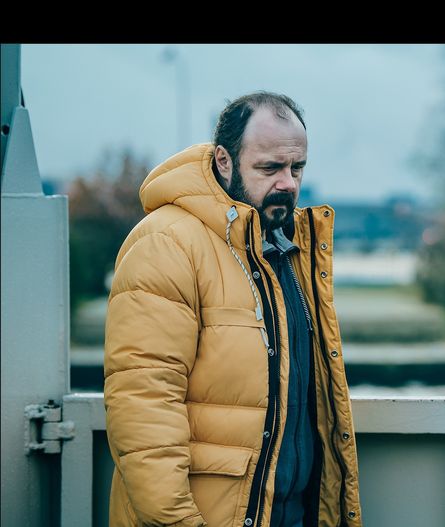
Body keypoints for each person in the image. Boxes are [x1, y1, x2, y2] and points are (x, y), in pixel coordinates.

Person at [104, 91, 362, 527]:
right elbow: (144, 404)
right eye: (270, 168)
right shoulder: (166, 243)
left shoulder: (287, 250)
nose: (288, 183)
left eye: (297, 167)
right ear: (224, 161)